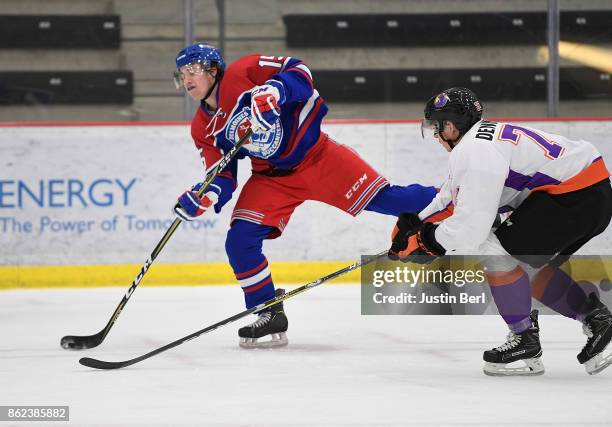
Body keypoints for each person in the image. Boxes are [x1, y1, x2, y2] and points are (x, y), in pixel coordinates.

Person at [172, 43, 437, 348]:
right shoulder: (202, 127)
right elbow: (223, 173)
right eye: (181, 74)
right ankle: (268, 311)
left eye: (192, 71)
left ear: (213, 69)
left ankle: (458, 197)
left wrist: (274, 91)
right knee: (239, 240)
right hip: (271, 178)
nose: (186, 80)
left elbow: (299, 70)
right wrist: (205, 194)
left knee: (390, 200)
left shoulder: (245, 71)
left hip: (318, 157)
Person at [388, 87, 612, 375]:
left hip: (572, 196)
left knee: (495, 253)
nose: (435, 134)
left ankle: (525, 341)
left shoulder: (474, 152)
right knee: (523, 269)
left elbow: (470, 229)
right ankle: (596, 320)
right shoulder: (481, 139)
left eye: (437, 126)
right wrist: (415, 223)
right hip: (588, 193)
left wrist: (426, 241)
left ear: (451, 126)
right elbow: (452, 199)